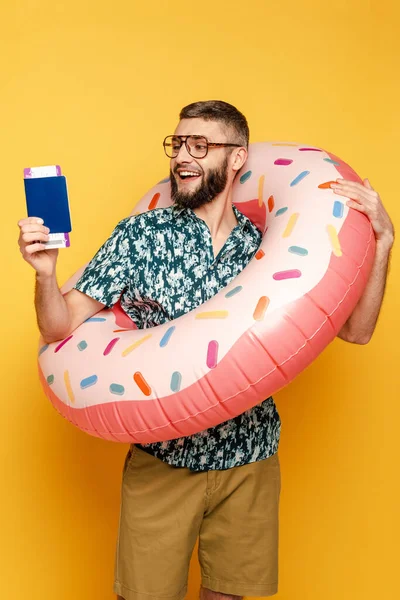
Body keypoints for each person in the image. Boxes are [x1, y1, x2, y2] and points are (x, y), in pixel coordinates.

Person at [18, 100, 394, 600]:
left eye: (200, 145)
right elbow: (58, 326)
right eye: (177, 145)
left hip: (250, 457)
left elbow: (357, 332)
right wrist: (45, 274)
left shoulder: (266, 246)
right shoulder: (142, 235)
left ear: (238, 158)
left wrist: (384, 241)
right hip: (164, 462)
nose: (183, 158)